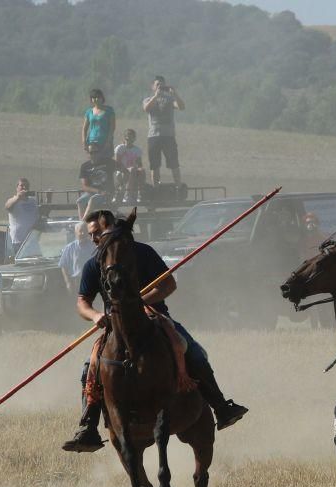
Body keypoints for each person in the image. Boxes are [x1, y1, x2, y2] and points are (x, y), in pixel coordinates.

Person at [62, 210, 248, 452]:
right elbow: (82, 303)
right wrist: (96, 315)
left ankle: (221, 407)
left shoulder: (143, 253)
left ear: (110, 228)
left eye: (97, 232)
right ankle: (88, 426)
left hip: (156, 317)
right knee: (89, 367)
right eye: (91, 235)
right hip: (116, 326)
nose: (94, 238)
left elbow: (169, 284)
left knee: (194, 353)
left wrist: (140, 302)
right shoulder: (93, 264)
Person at [143, 75, 185, 186]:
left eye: (162, 85)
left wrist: (174, 94)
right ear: (153, 87)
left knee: (174, 163)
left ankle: (178, 187)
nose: (160, 87)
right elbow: (146, 109)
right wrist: (156, 96)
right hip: (153, 136)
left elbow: (181, 107)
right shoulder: (148, 99)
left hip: (168, 136)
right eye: (157, 85)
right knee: (154, 164)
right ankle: (156, 188)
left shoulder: (170, 99)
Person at [77, 143, 120, 219]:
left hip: (107, 192)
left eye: (95, 152)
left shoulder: (108, 162)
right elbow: (85, 186)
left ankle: (83, 222)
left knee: (92, 200)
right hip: (94, 192)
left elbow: (125, 171)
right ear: (88, 153)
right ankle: (84, 223)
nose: (93, 155)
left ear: (99, 152)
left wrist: (119, 185)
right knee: (80, 201)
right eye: (91, 152)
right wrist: (98, 191)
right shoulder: (85, 166)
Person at [58, 221, 96, 295]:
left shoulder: (94, 246)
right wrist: (68, 283)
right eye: (80, 231)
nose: (83, 233)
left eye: (85, 231)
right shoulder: (70, 248)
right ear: (76, 232)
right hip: (77, 282)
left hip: (92, 280)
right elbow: (63, 266)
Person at [5, 177, 39, 255]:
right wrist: (18, 197)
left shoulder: (33, 201)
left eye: (26, 186)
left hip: (32, 240)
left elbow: (42, 214)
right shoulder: (13, 200)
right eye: (22, 185)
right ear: (17, 188)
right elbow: (7, 206)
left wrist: (48, 199)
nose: (24, 188)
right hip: (19, 241)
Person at [81, 89, 116, 159]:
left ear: (102, 98)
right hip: (91, 142)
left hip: (104, 141)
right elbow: (84, 129)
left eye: (97, 97)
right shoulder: (89, 112)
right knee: (93, 163)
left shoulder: (109, 110)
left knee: (106, 162)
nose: (95, 99)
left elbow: (112, 127)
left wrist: (108, 142)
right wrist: (84, 141)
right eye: (93, 98)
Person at [114, 129, 145, 203]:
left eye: (131, 138)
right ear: (124, 138)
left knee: (141, 170)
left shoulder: (137, 150)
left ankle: (140, 194)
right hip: (121, 173)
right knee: (132, 169)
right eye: (127, 138)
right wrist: (126, 170)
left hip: (133, 172)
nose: (128, 140)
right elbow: (117, 164)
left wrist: (140, 169)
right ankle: (127, 194)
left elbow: (139, 164)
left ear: (134, 139)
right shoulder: (120, 148)